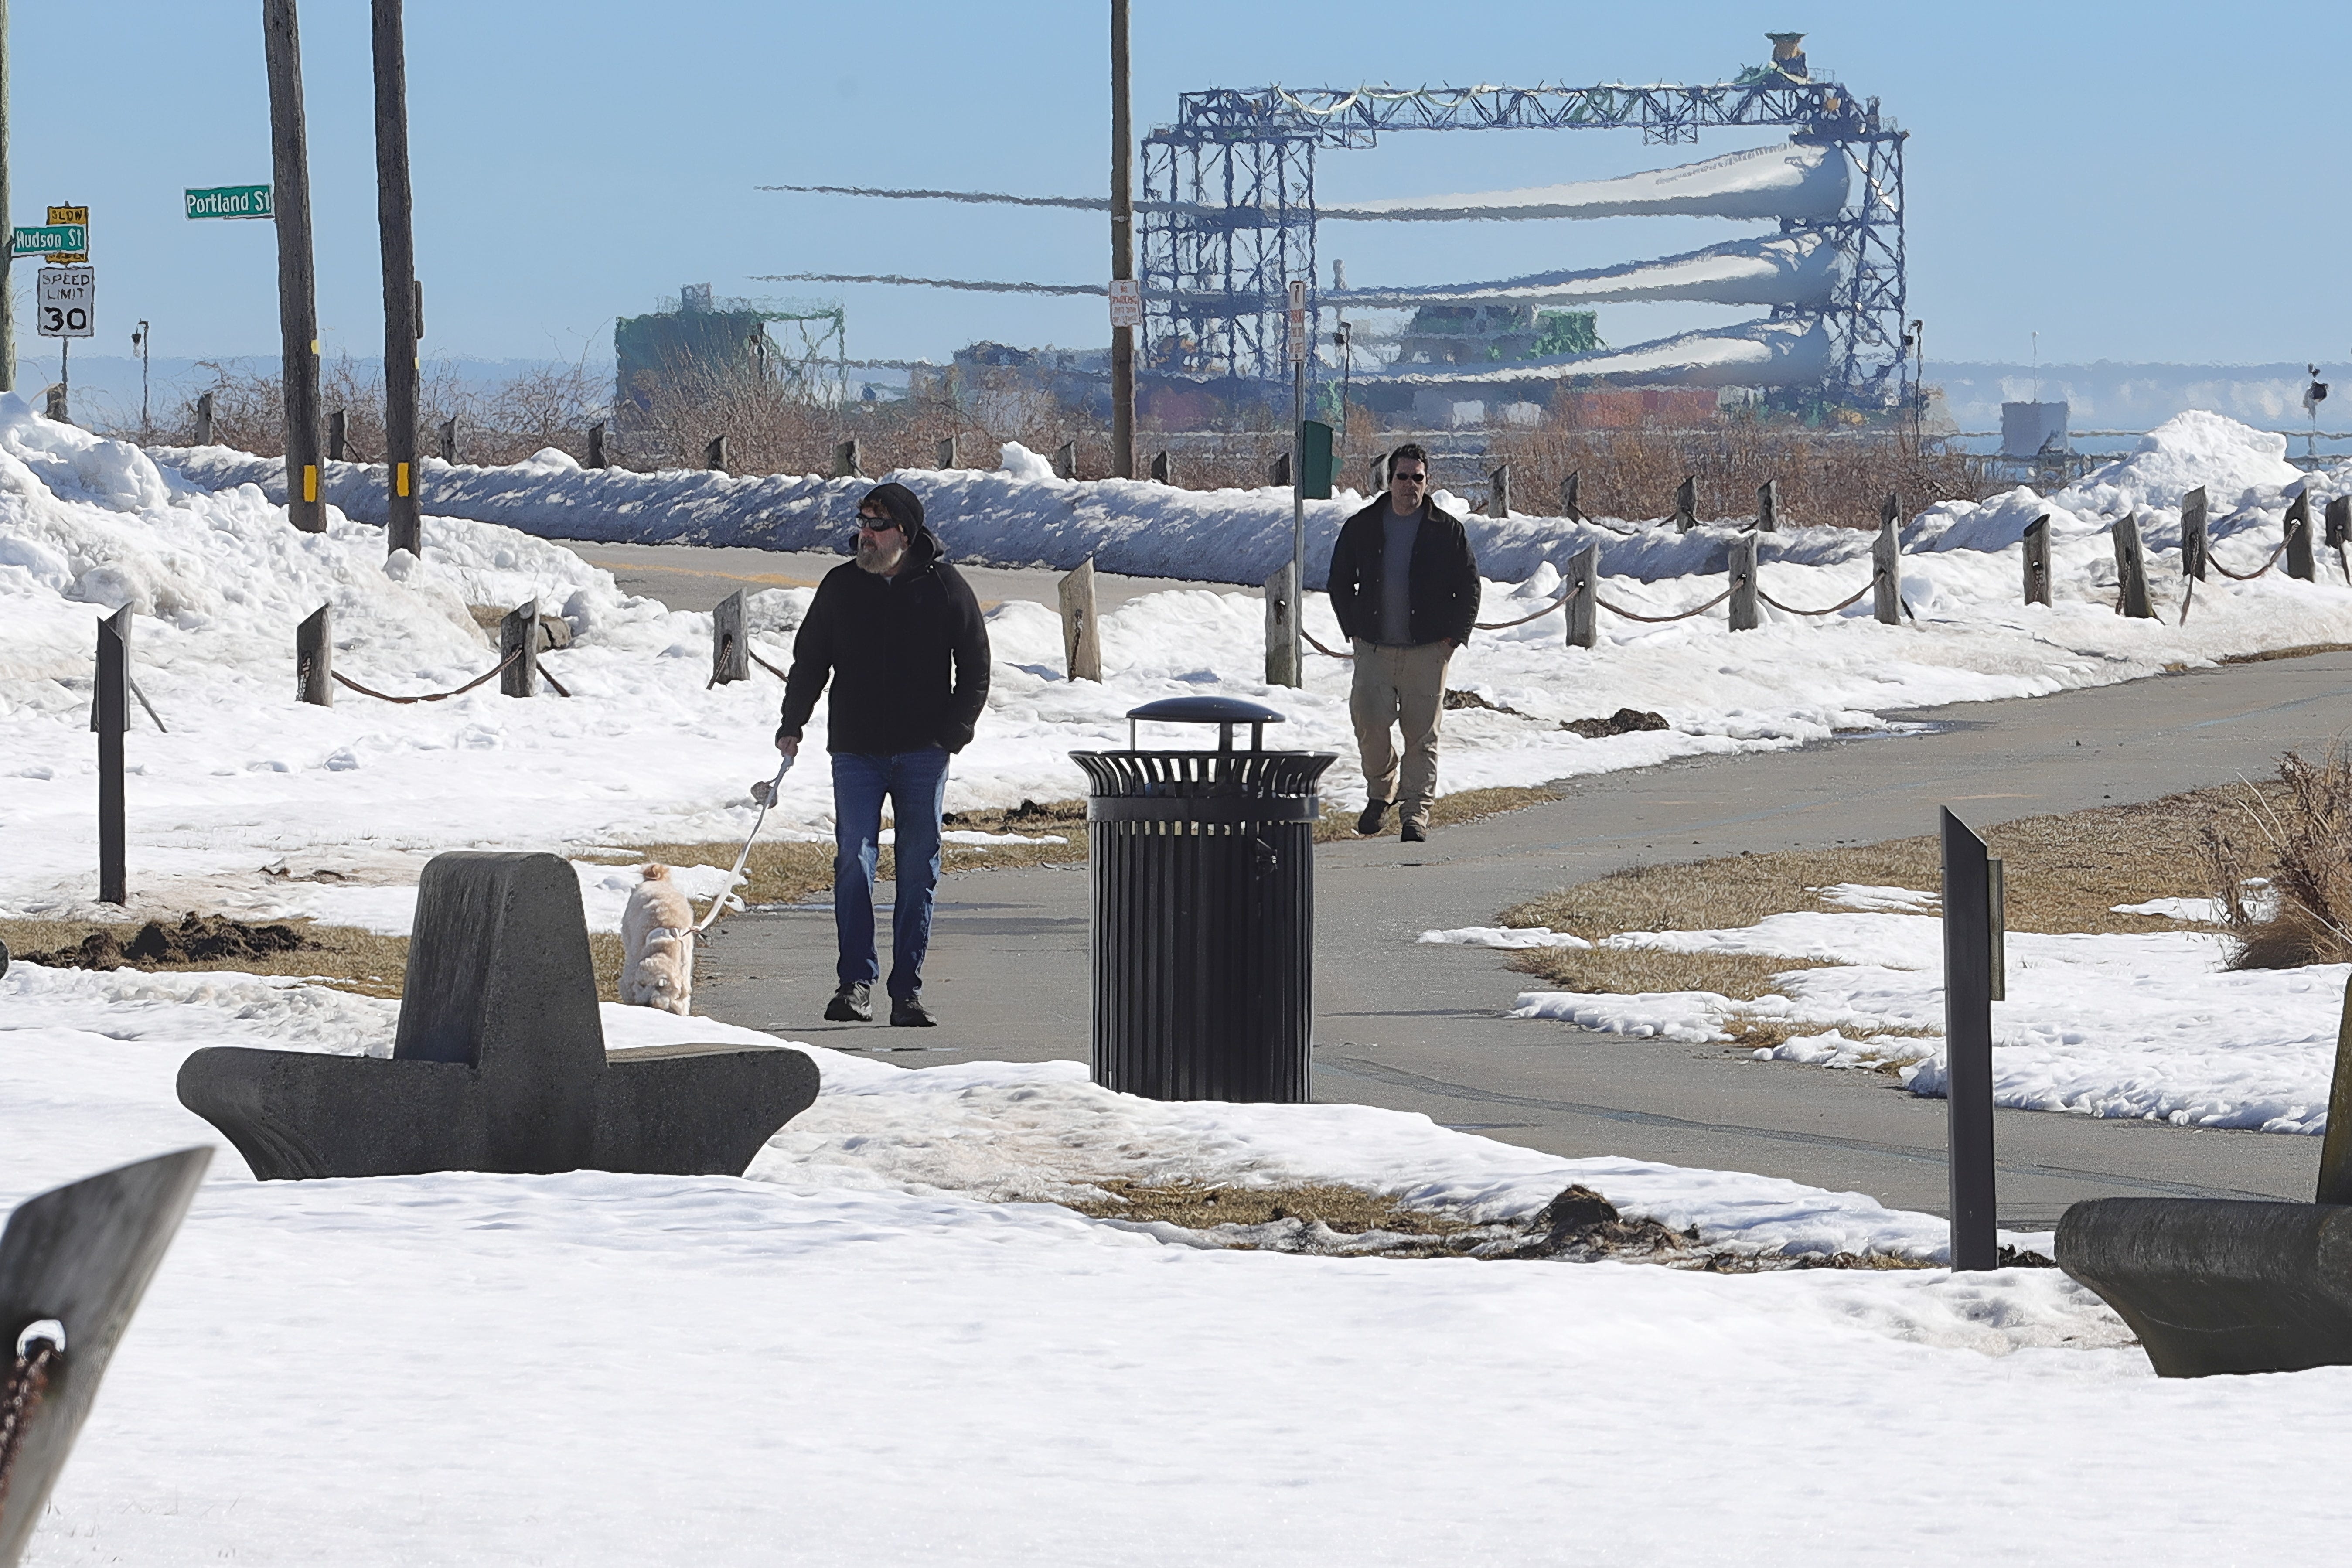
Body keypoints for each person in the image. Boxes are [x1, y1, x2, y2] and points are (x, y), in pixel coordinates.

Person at [776, 481, 990, 1026]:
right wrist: (792, 723)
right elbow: (810, 660)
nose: (864, 536)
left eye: (876, 527)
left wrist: (952, 734)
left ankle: (906, 992)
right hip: (856, 750)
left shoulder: (945, 587)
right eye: (862, 524)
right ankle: (854, 984)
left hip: (924, 752)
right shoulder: (842, 586)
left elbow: (976, 667)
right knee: (854, 860)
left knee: (918, 869)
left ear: (906, 534)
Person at [1324, 444, 1480, 842]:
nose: (1409, 485)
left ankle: (1415, 814)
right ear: (1389, 480)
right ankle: (1381, 792)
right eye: (1402, 477)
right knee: (1369, 723)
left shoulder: (1446, 530)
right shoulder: (1363, 525)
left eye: (1418, 478)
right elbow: (1340, 581)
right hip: (1374, 649)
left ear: (1427, 483)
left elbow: (1468, 587)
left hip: (1429, 651)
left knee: (1421, 736)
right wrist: (1354, 630)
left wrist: (1451, 641)